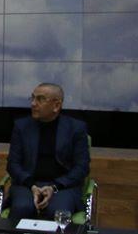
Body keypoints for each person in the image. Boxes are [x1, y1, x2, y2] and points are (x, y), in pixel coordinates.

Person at [6, 83, 88, 221]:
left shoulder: (76, 128)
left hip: (63, 186)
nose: (33, 103)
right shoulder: (21, 127)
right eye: (32, 98)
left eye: (40, 99)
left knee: (57, 212)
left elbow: (81, 168)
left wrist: (54, 187)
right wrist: (32, 185)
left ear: (56, 105)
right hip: (27, 185)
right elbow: (13, 164)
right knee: (22, 208)